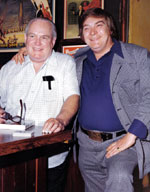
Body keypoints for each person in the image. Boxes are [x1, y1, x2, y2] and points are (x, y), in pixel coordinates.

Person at [11, 8, 150, 192]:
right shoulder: (77, 59)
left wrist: (132, 136)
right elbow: (53, 61)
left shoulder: (137, 56)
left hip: (123, 140)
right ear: (82, 34)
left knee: (119, 177)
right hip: (86, 144)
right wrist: (30, 50)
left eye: (99, 26)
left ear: (110, 29)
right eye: (86, 28)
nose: (92, 32)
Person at [0, 17, 80, 192]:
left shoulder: (65, 64)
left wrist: (61, 120)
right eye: (32, 36)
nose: (37, 43)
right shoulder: (9, 68)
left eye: (44, 37)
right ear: (25, 39)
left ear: (53, 41)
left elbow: (73, 96)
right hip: (12, 157)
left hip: (51, 155)